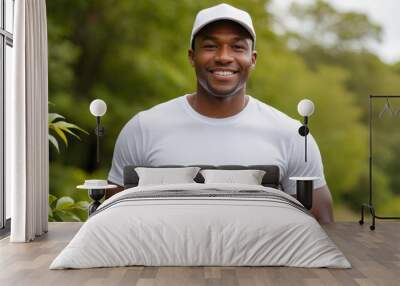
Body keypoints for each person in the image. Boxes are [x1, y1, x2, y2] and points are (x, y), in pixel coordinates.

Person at [107, 3, 334, 223]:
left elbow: (322, 227)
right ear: (191, 56)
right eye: (210, 46)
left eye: (237, 47)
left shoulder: (292, 136)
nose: (224, 56)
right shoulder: (143, 128)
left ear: (252, 59)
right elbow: (110, 222)